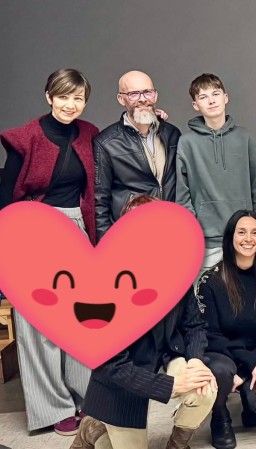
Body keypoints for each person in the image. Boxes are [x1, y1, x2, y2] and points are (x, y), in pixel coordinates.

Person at [72, 194, 217, 449]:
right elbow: (112, 366)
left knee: (204, 389)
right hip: (122, 380)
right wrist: (170, 386)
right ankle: (93, 429)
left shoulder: (177, 268)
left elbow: (194, 325)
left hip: (166, 354)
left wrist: (195, 361)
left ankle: (178, 445)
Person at [0, 68, 97, 435]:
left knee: (80, 319)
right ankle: (54, 408)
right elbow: (6, 198)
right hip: (34, 230)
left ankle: (86, 398)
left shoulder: (89, 134)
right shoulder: (26, 138)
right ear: (49, 96)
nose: (70, 104)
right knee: (39, 325)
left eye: (78, 98)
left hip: (77, 229)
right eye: (63, 96)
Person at [198, 211, 256, 449]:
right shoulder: (210, 281)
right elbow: (211, 335)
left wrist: (251, 367)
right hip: (223, 356)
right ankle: (220, 417)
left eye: (255, 233)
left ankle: (249, 396)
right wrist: (251, 363)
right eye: (242, 232)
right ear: (230, 237)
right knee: (219, 371)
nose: (249, 239)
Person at [176, 73, 256, 274]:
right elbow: (182, 195)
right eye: (203, 97)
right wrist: (192, 234)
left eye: (215, 94)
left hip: (244, 240)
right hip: (206, 242)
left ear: (225, 98)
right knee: (206, 293)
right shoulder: (186, 143)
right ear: (195, 105)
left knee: (245, 292)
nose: (211, 100)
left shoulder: (245, 138)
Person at [94, 70, 181, 241]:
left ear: (155, 95)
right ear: (121, 99)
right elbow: (99, 202)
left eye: (148, 92)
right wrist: (107, 244)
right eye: (133, 94)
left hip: (169, 229)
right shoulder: (106, 143)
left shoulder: (172, 134)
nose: (142, 99)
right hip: (130, 234)